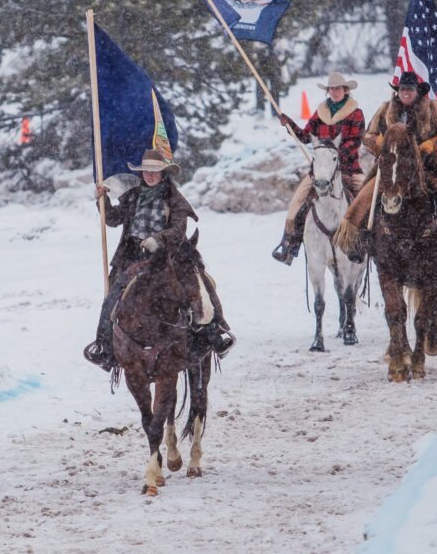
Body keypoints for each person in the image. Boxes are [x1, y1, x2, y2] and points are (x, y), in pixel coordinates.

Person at [83, 149, 234, 371]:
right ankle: (105, 347)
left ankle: (216, 334)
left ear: (163, 172)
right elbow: (114, 220)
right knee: (112, 298)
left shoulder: (174, 198)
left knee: (202, 284)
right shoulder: (133, 195)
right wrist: (103, 200)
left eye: (155, 171)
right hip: (131, 256)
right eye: (146, 171)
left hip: (167, 257)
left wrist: (158, 239)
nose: (150, 175)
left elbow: (178, 229)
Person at [341, 71, 437, 264]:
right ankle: (357, 239)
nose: (405, 93)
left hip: (426, 167)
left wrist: (432, 144)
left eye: (409, 89)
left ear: (418, 91)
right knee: (364, 197)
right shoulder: (385, 111)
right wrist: (381, 143)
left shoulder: (432, 110)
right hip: (391, 168)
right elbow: (367, 137)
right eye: (402, 89)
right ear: (397, 91)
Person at [271, 71, 366, 264]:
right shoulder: (321, 111)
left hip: (349, 169)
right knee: (297, 203)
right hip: (321, 170)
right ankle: (290, 245)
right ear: (328, 91)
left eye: (338, 88)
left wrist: (334, 155)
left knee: (367, 201)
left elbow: (355, 141)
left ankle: (365, 244)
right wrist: (289, 124)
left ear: (345, 90)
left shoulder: (355, 113)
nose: (335, 92)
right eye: (332, 88)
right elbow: (306, 136)